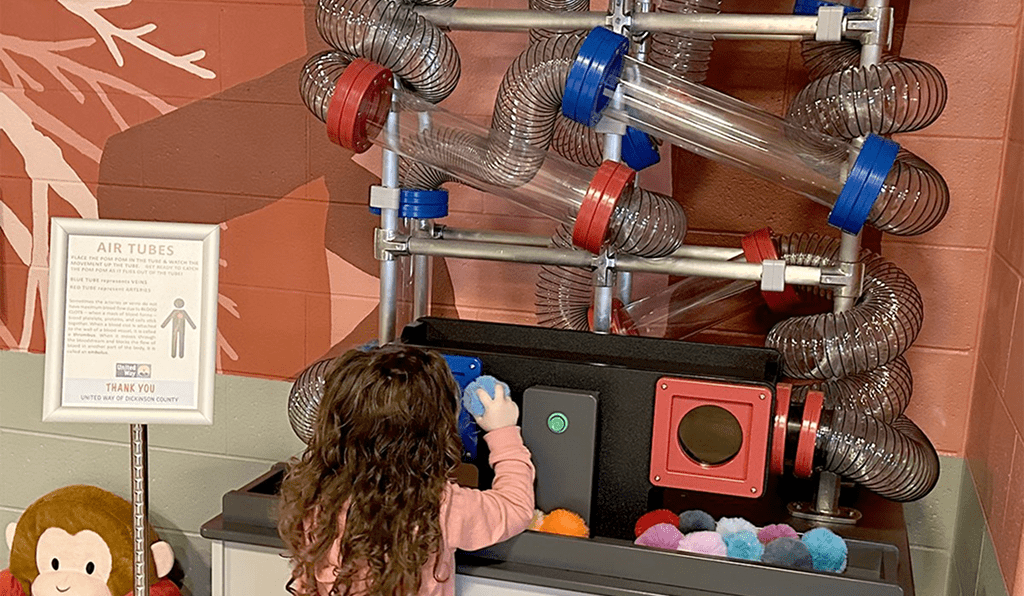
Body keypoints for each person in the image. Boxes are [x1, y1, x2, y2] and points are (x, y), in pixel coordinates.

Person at [277, 344, 535, 596]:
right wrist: (503, 430)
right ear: (437, 431)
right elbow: (514, 507)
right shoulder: (438, 506)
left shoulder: (317, 497)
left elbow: (306, 583)